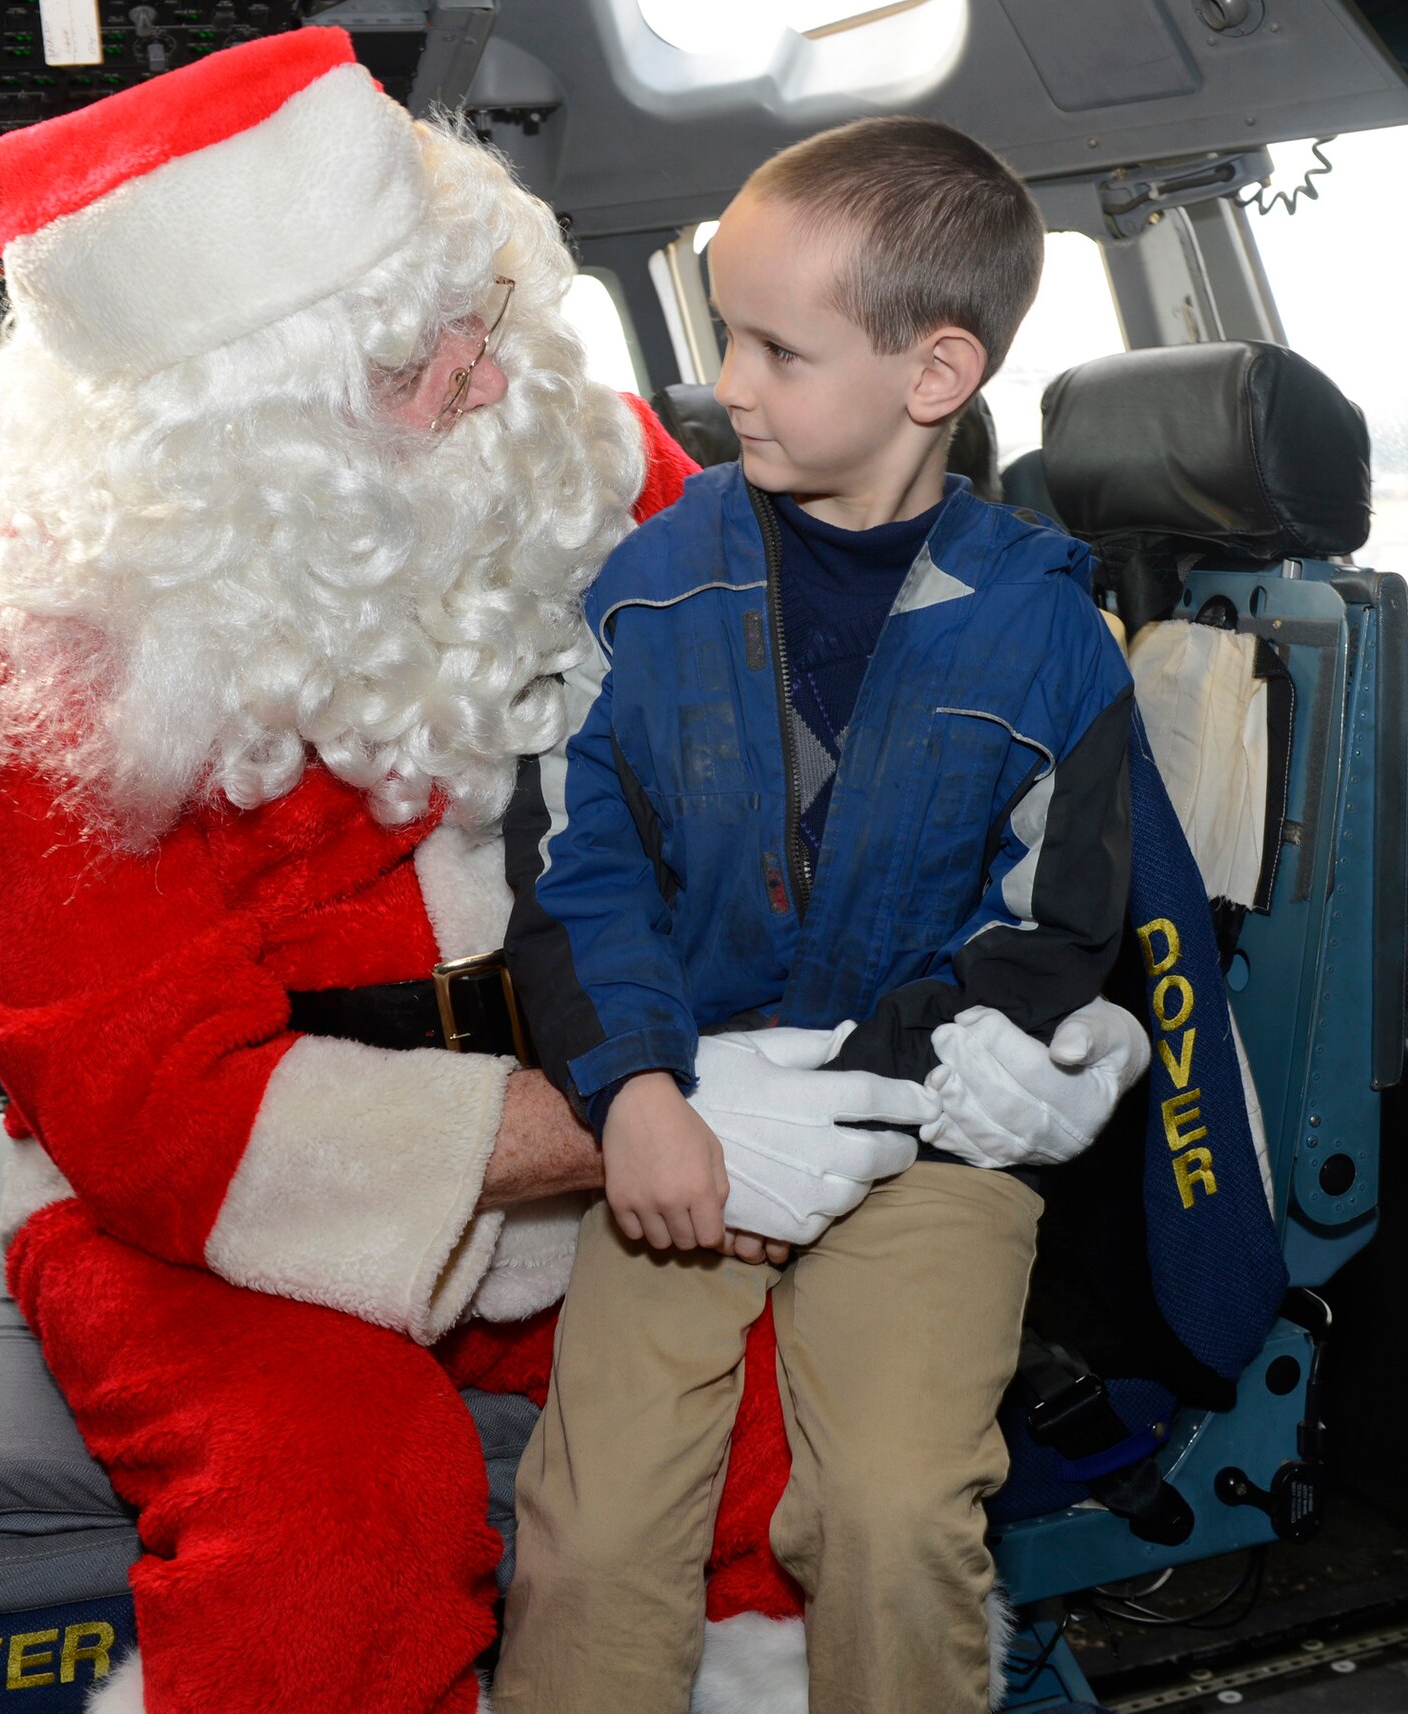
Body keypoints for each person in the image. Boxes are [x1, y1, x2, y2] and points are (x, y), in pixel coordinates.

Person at [0, 31, 1146, 1714]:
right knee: (329, 1533)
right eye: (422, 362)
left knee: (829, 1473)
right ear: (239, 436)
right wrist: (646, 1113)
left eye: (480, 312)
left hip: (612, 1132)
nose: (492, 382)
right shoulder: (51, 646)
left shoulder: (585, 463)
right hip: (221, 1216)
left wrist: (1055, 1003)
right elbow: (149, 1104)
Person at [497, 118, 1139, 1714]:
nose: (729, 381)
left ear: (933, 375)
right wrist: (642, 1091)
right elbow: (578, 872)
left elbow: (1058, 925)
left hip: (921, 1143)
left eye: (779, 348)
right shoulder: (643, 589)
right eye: (724, 330)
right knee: (591, 1533)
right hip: (693, 1115)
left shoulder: (1053, 639)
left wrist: (902, 1065)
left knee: (892, 1513)